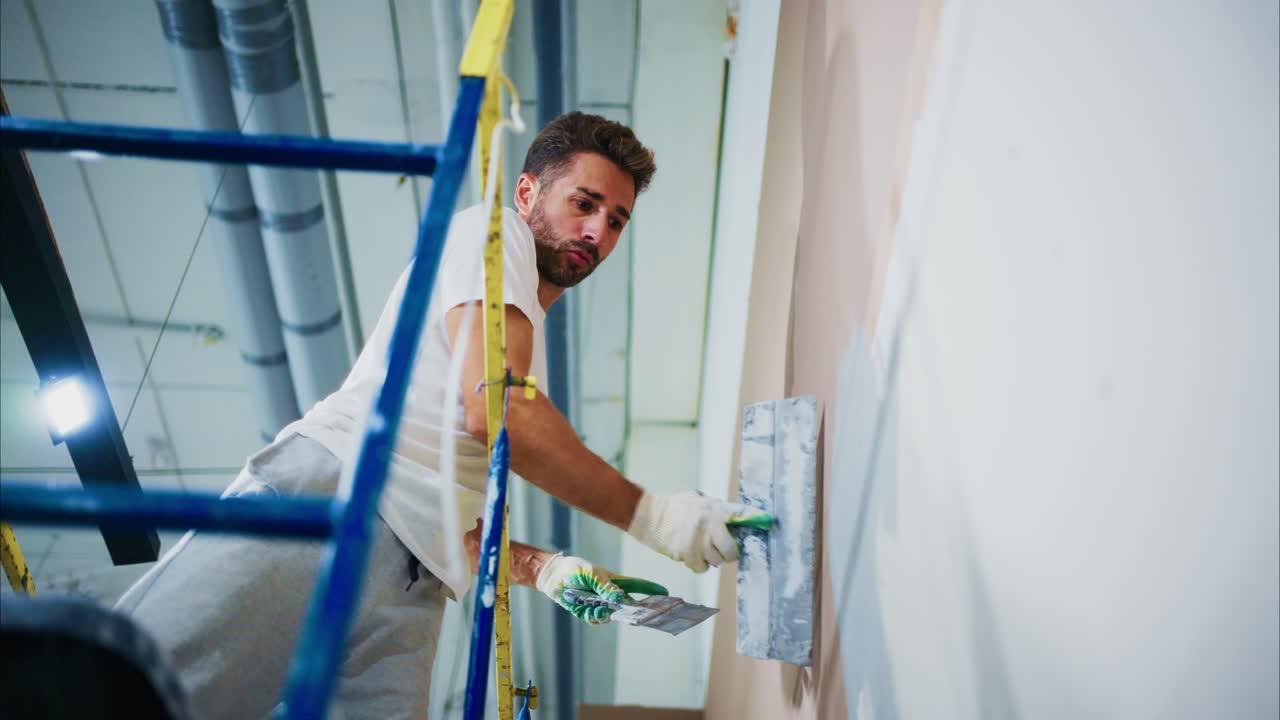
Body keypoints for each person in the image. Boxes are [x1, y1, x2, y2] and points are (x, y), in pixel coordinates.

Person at [115, 112, 766, 719]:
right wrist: (651, 516)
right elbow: (496, 409)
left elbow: (444, 492)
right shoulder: (492, 235)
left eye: (618, 220)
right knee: (142, 688)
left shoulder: (523, 319)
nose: (598, 232)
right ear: (527, 193)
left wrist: (544, 568)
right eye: (584, 204)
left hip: (415, 581)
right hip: (335, 496)